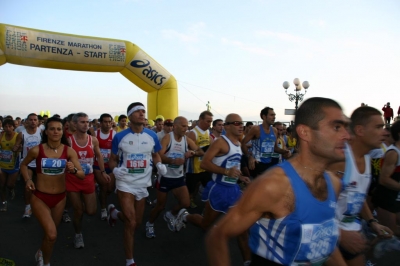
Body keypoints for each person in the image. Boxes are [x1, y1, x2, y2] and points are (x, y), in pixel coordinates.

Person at [206, 97, 350, 266]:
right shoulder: (273, 186)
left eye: (346, 127)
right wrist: (250, 157)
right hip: (255, 170)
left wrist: (283, 150)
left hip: (271, 163)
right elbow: (217, 236)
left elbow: (324, 245)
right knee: (216, 225)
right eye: (336, 127)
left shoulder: (334, 183)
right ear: (305, 132)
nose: (347, 135)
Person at [176, 113, 252, 265]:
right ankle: (185, 216)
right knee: (206, 224)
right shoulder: (220, 143)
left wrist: (240, 177)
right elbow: (204, 163)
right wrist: (226, 172)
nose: (241, 126)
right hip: (218, 190)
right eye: (236, 123)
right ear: (227, 126)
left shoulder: (238, 143)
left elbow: (232, 167)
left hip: (233, 190)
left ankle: (247, 262)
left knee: (243, 231)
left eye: (241, 123)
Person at [330, 106, 392, 265]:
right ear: (360, 130)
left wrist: (372, 222)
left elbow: (357, 195)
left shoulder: (366, 158)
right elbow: (312, 205)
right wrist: (339, 234)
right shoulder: (340, 161)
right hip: (328, 237)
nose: (384, 132)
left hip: (351, 231)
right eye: (378, 127)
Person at [107, 102, 166, 266]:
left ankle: (114, 214)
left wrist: (159, 165)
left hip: (143, 184)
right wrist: (115, 171)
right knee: (131, 223)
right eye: (138, 111)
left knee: (136, 222)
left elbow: (156, 155)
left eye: (143, 111)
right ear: (130, 116)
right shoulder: (120, 137)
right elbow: (112, 160)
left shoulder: (152, 136)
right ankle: (130, 261)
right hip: (125, 183)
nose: (142, 114)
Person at [20, 116, 84, 266]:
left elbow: (81, 175)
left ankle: (41, 253)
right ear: (46, 132)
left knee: (50, 235)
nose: (56, 132)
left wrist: (73, 170)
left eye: (59, 129)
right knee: (52, 234)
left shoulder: (69, 151)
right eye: (52, 129)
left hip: (60, 199)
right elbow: (23, 165)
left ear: (63, 132)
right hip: (40, 197)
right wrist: (28, 180)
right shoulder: (37, 150)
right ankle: (46, 263)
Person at [145, 116, 203, 238]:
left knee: (185, 203)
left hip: (178, 177)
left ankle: (171, 214)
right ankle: (150, 223)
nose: (186, 128)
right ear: (175, 126)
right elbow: (159, 155)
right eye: (183, 126)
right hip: (165, 177)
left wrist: (192, 153)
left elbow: (201, 151)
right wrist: (172, 161)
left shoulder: (186, 140)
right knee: (160, 206)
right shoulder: (167, 138)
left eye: (187, 126)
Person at [66, 112, 111, 249]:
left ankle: (88, 199)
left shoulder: (93, 140)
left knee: (91, 211)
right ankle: (78, 234)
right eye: (82, 122)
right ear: (74, 124)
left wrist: (102, 172)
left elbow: (99, 156)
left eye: (87, 122)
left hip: (88, 179)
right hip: (72, 179)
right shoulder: (69, 140)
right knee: (78, 211)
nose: (86, 125)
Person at [241, 107, 290, 177]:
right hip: (257, 163)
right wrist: (249, 157)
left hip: (269, 163)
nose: (274, 117)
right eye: (271, 115)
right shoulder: (256, 129)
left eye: (274, 115)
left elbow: (275, 148)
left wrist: (284, 151)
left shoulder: (274, 130)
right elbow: (243, 143)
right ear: (264, 116)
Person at [16, 113, 43, 218]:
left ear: (38, 121)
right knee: (28, 186)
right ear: (27, 121)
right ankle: (27, 207)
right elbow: (16, 146)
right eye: (30, 120)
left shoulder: (41, 132)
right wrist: (16, 148)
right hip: (27, 163)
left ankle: (37, 205)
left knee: (38, 186)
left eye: (35, 120)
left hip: (39, 163)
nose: (33, 122)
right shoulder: (21, 134)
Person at [186, 111, 214, 209]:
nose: (209, 124)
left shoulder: (207, 132)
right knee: (191, 189)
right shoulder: (193, 133)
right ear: (201, 120)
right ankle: (187, 205)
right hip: (194, 168)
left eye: (211, 121)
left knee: (209, 186)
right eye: (207, 121)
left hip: (204, 167)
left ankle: (209, 206)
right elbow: (189, 152)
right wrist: (201, 152)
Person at [93, 113, 116, 220]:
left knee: (110, 188)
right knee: (104, 186)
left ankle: (101, 196)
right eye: (105, 122)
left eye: (109, 122)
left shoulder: (114, 134)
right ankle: (103, 208)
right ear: (100, 123)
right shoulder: (95, 135)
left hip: (110, 164)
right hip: (98, 165)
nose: (108, 124)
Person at [0, 119, 22, 211]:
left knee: (10, 184)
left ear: (13, 127)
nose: (8, 128)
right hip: (2, 164)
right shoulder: (1, 135)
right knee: (1, 185)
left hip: (13, 164)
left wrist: (17, 148)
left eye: (10, 126)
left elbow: (19, 147)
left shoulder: (18, 136)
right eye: (6, 126)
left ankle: (11, 189)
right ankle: (4, 203)